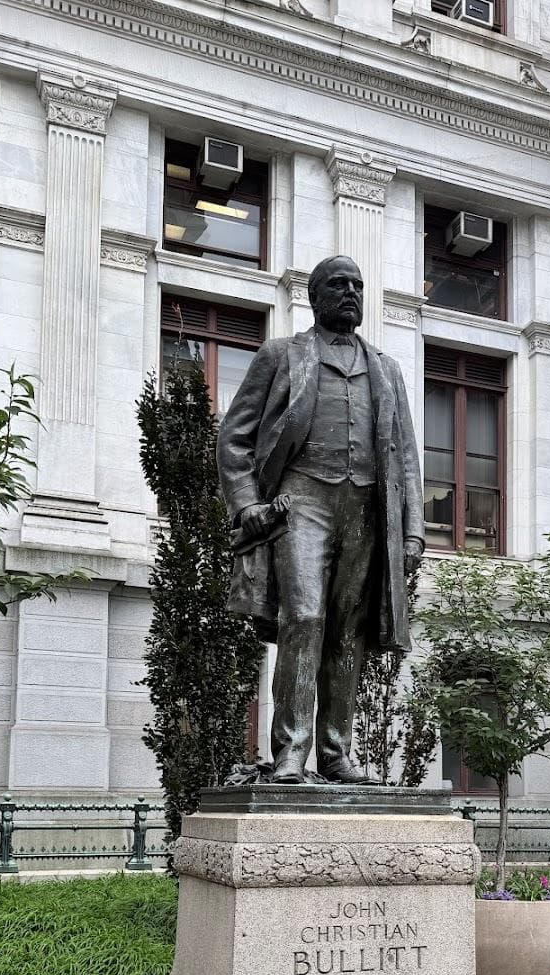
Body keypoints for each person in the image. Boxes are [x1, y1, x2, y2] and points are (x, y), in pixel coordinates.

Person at [217, 255, 425, 784]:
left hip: (366, 509)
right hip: (301, 499)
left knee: (348, 631)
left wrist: (413, 529)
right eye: (339, 285)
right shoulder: (282, 355)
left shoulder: (387, 368)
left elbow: (404, 456)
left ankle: (336, 754)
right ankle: (290, 753)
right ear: (314, 297)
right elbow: (234, 438)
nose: (351, 292)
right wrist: (247, 506)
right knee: (304, 618)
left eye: (357, 284)